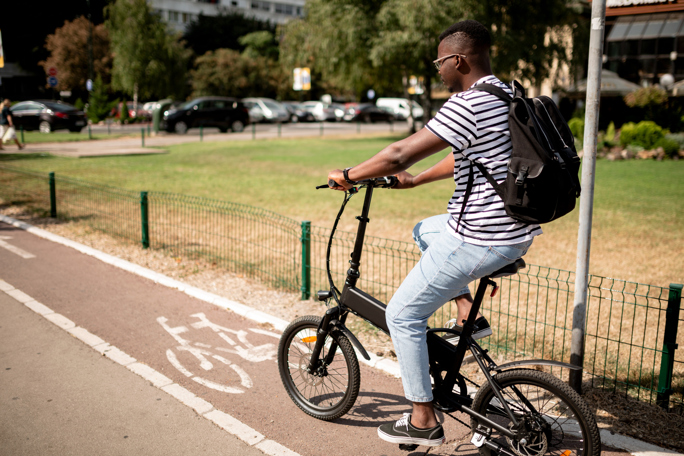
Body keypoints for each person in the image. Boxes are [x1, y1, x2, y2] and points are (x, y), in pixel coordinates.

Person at [327, 19, 542, 447]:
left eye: (440, 62)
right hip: (514, 228)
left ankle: (423, 420)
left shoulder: (468, 103)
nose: (437, 69)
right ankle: (467, 312)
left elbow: (397, 152)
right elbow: (466, 157)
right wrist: (418, 180)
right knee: (424, 228)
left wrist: (349, 174)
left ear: (458, 59)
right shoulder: (507, 92)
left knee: (402, 315)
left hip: (480, 236)